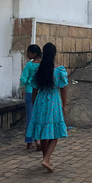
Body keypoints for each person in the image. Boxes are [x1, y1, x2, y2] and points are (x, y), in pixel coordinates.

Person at [27, 42, 68, 171]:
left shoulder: (38, 70)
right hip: (53, 101)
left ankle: (46, 158)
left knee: (43, 132)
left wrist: (35, 105)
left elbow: (34, 90)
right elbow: (63, 89)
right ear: (54, 54)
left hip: (41, 100)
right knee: (54, 133)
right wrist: (64, 105)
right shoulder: (58, 71)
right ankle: (46, 159)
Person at [20, 44, 41, 149]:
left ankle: (30, 141)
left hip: (29, 91)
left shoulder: (30, 65)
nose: (27, 55)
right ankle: (39, 139)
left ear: (34, 54)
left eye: (29, 53)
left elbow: (23, 78)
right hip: (41, 93)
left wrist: (22, 85)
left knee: (30, 117)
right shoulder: (44, 65)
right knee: (40, 117)